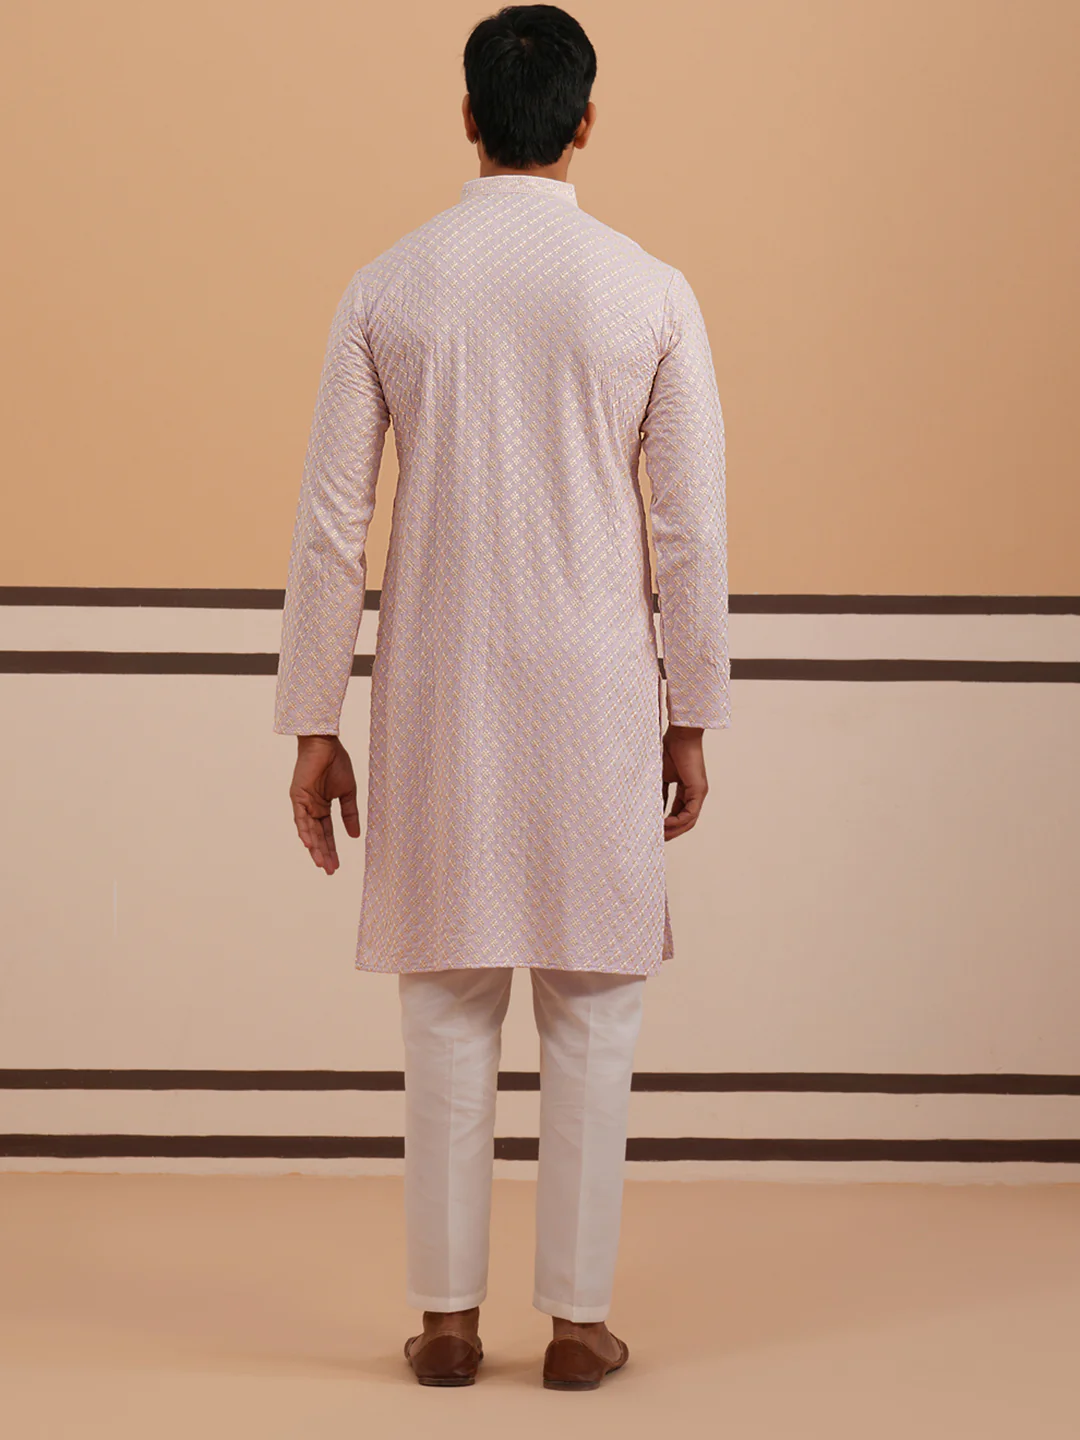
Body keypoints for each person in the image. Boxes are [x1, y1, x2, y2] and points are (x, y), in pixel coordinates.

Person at [273, 3, 729, 1391]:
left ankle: (448, 1321)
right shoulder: (651, 292)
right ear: (584, 123)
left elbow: (332, 524)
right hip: (597, 690)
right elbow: (691, 529)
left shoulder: (388, 287)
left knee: (447, 1008)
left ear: (468, 118)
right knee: (594, 1008)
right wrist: (691, 712)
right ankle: (579, 1325)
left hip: (440, 687)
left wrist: (314, 722)